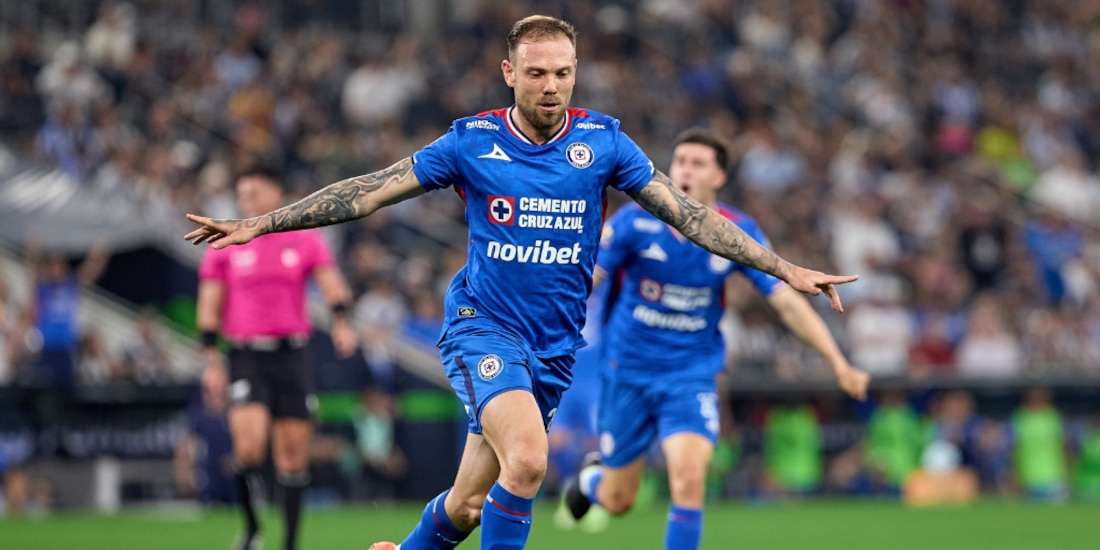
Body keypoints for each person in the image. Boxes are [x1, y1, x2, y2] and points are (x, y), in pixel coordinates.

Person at [184, 16, 858, 550]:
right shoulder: (472, 142)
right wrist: (263, 224)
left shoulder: (605, 145)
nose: (551, 87)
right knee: (530, 462)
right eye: (536, 73)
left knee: (471, 504)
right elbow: (367, 192)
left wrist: (785, 268)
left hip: (554, 349)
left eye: (563, 73)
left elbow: (692, 217)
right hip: (484, 326)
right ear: (510, 72)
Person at [560, 129, 869, 549]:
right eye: (680, 160)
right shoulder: (633, 223)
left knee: (688, 479)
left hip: (691, 375)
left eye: (697, 163)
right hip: (628, 374)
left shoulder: (738, 231)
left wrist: (838, 362)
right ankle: (593, 479)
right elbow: (588, 278)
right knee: (618, 501)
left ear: (719, 177)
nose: (685, 169)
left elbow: (786, 302)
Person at [196, 164, 357, 550]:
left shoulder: (302, 238)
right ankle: (252, 527)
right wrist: (211, 362)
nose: (244, 200)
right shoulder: (226, 242)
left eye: (252, 192)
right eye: (241, 194)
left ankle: (289, 543)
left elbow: (332, 284)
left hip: (291, 356)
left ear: (275, 195)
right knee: (249, 448)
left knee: (292, 457)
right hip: (246, 355)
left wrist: (340, 322)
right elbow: (208, 307)